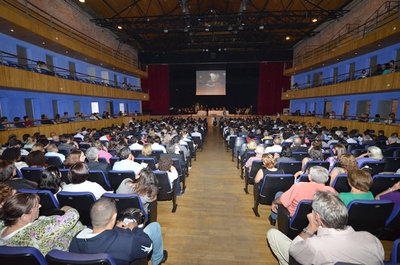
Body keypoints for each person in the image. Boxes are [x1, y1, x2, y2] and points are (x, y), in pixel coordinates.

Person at [267, 190, 384, 265]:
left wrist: (311, 228)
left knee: (273, 233)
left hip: (303, 252)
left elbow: (293, 251)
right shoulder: (372, 239)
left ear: (318, 217)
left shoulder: (314, 246)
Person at [69, 197, 167, 265]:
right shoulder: (127, 243)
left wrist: (116, 227)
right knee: (155, 227)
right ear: (114, 217)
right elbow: (148, 246)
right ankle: (158, 260)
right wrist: (135, 229)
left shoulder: (76, 240)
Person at [0, 192, 84, 255]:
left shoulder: (2, 225)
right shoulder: (39, 231)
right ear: (25, 216)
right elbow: (73, 216)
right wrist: (67, 208)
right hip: (73, 249)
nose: (40, 206)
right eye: (36, 206)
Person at [268, 166, 336, 226]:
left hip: (294, 218)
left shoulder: (299, 186)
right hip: (319, 222)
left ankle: (273, 218)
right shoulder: (332, 191)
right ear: (327, 179)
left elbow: (283, 201)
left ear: (309, 177)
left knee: (279, 194)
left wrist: (274, 202)